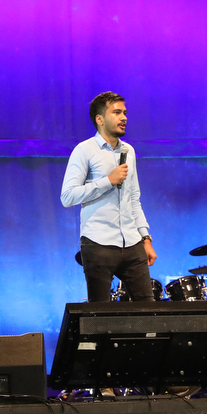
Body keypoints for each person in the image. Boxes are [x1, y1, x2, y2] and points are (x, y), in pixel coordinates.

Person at [60, 92, 157, 302]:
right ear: (100, 119)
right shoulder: (84, 150)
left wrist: (145, 238)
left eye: (125, 113)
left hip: (132, 242)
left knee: (149, 309)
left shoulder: (128, 151)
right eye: (117, 112)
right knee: (100, 312)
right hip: (98, 243)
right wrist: (108, 181)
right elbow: (67, 196)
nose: (124, 118)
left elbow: (134, 198)